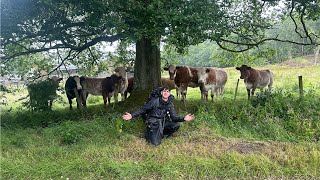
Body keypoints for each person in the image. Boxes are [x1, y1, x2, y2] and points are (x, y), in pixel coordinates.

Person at [122, 86, 194, 146]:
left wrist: (183, 118)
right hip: (154, 122)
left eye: (167, 91)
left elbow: (174, 117)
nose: (166, 93)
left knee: (176, 126)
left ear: (169, 93)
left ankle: (161, 135)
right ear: (161, 93)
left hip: (163, 121)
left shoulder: (170, 104)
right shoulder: (154, 101)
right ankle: (149, 133)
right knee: (155, 144)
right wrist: (132, 115)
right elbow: (143, 110)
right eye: (164, 91)